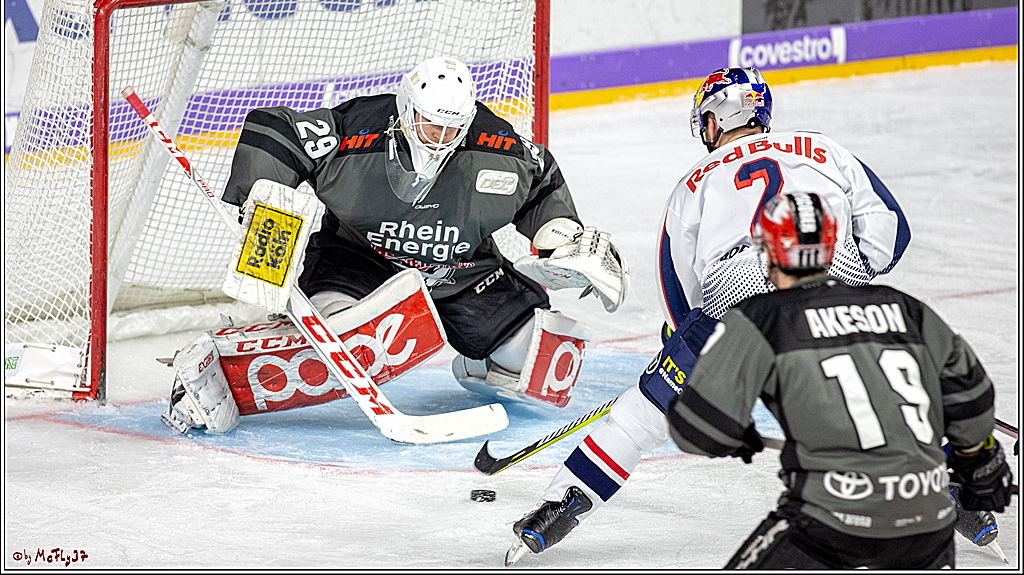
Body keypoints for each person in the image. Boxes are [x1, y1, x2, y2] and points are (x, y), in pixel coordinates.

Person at [505, 67, 911, 565]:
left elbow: (680, 288)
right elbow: (892, 230)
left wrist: (686, 340)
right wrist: (849, 280)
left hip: (735, 312)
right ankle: (954, 497)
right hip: (831, 294)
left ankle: (557, 512)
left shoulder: (693, 183)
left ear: (716, 119)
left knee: (638, 421)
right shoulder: (824, 148)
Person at [159, 56, 628, 434]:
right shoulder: (357, 129)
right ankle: (224, 363)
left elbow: (541, 183)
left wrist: (563, 237)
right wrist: (263, 206)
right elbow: (275, 131)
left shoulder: (497, 147)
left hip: (459, 271)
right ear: (407, 111)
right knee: (344, 342)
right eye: (430, 126)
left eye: (452, 128)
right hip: (359, 263)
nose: (442, 139)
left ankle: (477, 360)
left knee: (548, 366)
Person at [666, 191, 1014, 569]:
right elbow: (974, 400)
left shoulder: (759, 319)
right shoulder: (906, 308)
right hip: (927, 525)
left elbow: (696, 430)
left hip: (828, 527)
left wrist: (736, 435)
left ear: (767, 252)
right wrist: (975, 460)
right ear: (833, 247)